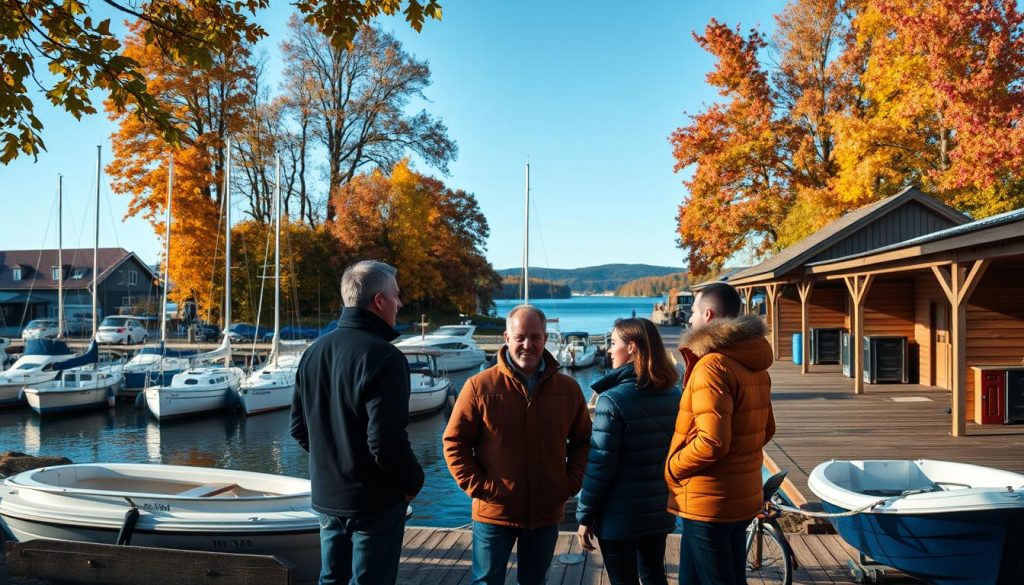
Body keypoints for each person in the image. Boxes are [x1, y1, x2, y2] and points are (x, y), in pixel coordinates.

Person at [290, 260, 424, 585]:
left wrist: (335, 463)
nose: (400, 303)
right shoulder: (386, 357)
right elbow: (385, 442)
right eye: (396, 295)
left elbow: (298, 428)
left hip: (327, 496)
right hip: (374, 502)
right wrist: (413, 482)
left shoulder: (313, 352)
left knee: (331, 578)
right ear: (379, 301)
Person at [443, 304, 592, 585]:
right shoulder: (479, 387)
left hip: (546, 512)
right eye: (520, 337)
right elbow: (455, 443)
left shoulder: (568, 389)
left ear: (546, 339)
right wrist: (482, 488)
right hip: (493, 511)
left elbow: (583, 442)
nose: (528, 344)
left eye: (535, 337)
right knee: (486, 581)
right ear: (507, 337)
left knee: (535, 581)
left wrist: (568, 483)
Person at [664, 282, 776, 585]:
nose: (689, 320)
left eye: (694, 312)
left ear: (709, 315)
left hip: (708, 502)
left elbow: (712, 442)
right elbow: (767, 429)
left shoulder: (712, 367)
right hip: (739, 497)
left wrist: (673, 467)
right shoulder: (755, 366)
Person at [576, 318, 680, 585]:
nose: (609, 351)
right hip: (659, 508)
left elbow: (600, 466)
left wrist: (585, 515)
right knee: (655, 576)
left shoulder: (612, 400)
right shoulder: (674, 394)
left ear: (632, 347)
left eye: (613, 343)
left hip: (618, 515)